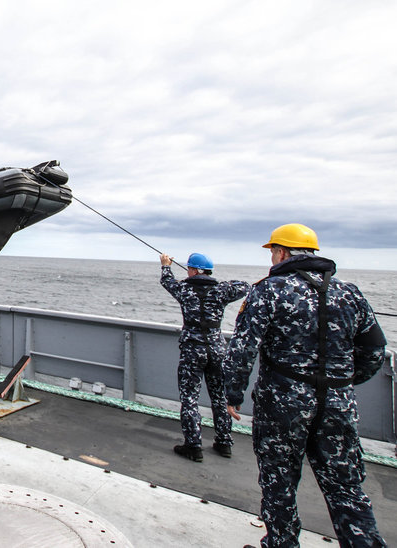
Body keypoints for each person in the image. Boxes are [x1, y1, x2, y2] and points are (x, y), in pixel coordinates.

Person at [226, 223, 387, 548]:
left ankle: (281, 543)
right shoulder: (350, 292)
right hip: (338, 408)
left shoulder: (270, 290)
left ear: (281, 252)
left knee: (279, 484)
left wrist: (233, 394)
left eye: (272, 251)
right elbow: (374, 351)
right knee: (346, 489)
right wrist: (344, 383)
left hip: (282, 409)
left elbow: (242, 349)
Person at [160, 252, 249, 461]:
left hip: (192, 349)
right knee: (219, 397)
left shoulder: (184, 289)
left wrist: (166, 265)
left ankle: (193, 445)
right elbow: (244, 286)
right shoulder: (221, 290)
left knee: (189, 398)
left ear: (192, 270)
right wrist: (218, 282)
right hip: (217, 349)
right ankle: (224, 442)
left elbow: (167, 281)